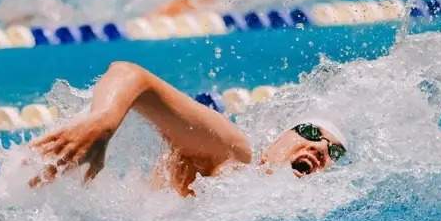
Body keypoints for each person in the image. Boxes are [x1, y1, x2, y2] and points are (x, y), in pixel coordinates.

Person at [29, 61, 347, 197]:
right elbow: (130, 74)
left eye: (334, 151)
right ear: (275, 141)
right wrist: (102, 124)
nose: (320, 148)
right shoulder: (234, 155)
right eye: (310, 132)